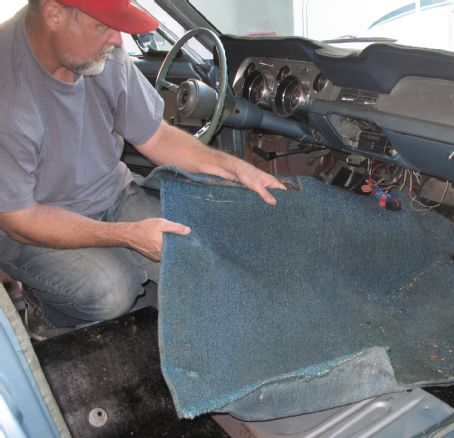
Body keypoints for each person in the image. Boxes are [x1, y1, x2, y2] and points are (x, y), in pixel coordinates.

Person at [0, 0, 286, 335]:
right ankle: (46, 312)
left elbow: (157, 136)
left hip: (112, 195)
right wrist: (128, 237)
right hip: (28, 222)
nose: (118, 40)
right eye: (104, 26)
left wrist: (234, 169)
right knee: (111, 291)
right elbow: (20, 220)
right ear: (54, 14)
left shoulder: (100, 53)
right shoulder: (9, 95)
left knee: (200, 262)